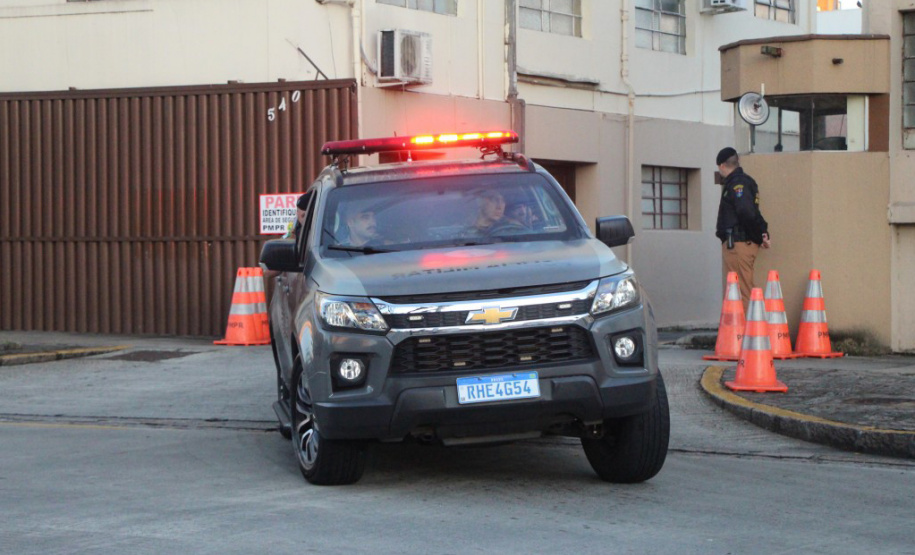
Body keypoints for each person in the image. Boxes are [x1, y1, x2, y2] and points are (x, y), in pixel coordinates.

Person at [715, 147, 771, 310]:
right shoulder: (746, 181)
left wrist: (759, 236)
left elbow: (746, 212)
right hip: (741, 244)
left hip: (738, 245)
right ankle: (746, 332)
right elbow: (754, 212)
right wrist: (762, 234)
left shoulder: (737, 183)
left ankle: (749, 333)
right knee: (741, 290)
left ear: (722, 166)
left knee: (742, 292)